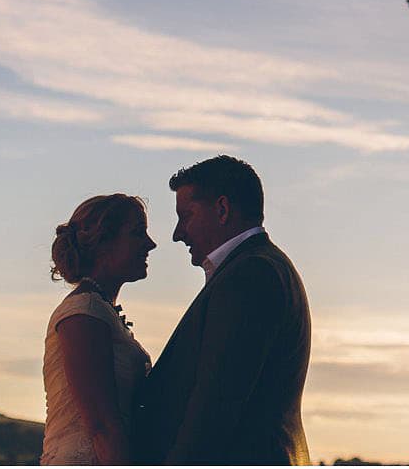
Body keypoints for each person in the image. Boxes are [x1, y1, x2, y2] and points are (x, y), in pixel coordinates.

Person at [133, 156, 311, 465]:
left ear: (222, 210)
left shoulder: (250, 276)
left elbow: (216, 404)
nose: (178, 233)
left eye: (186, 216)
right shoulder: (262, 268)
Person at [42, 194, 156, 465]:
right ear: (103, 242)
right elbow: (102, 427)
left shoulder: (100, 310)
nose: (150, 244)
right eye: (138, 233)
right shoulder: (84, 313)